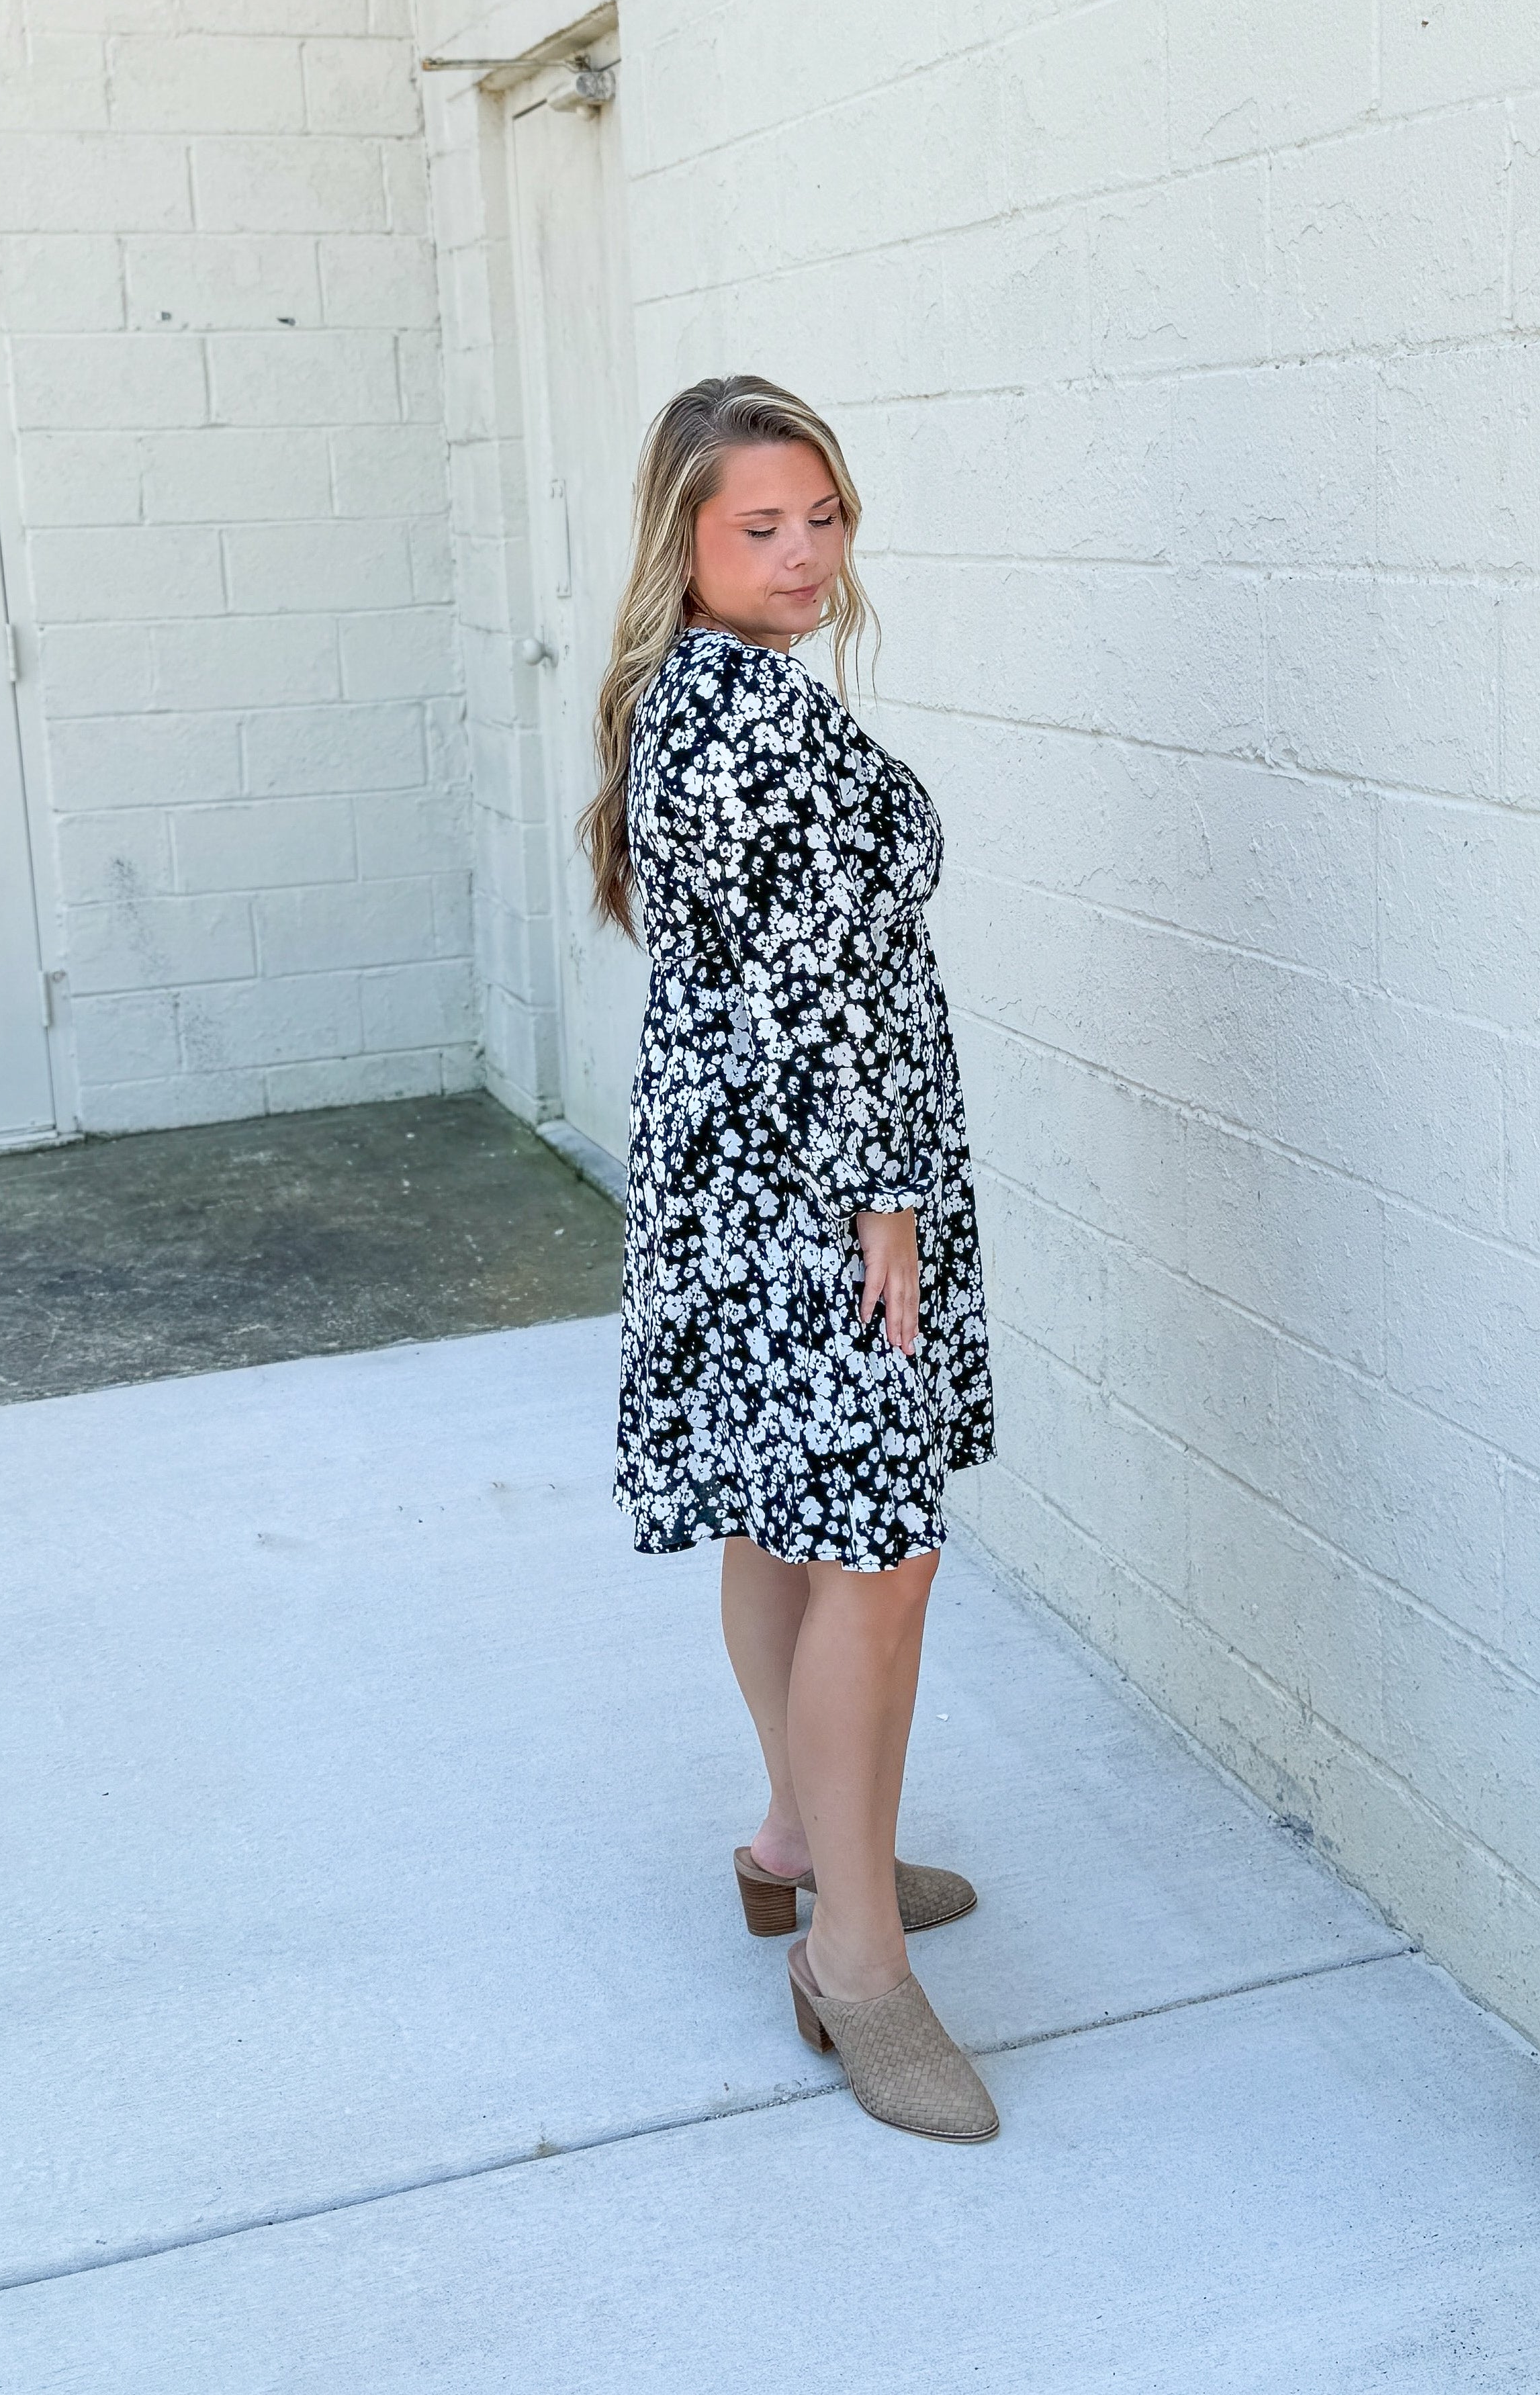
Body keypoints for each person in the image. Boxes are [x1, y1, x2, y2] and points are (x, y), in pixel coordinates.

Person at [582, 375, 999, 2142]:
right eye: (762, 527)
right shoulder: (742, 716)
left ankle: (793, 1841)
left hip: (736, 1173)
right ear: (681, 542)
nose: (806, 553)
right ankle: (857, 1953)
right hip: (818, 1183)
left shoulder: (697, 697)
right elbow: (821, 993)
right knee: (879, 1551)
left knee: (787, 1512)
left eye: (823, 516)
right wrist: (883, 1200)